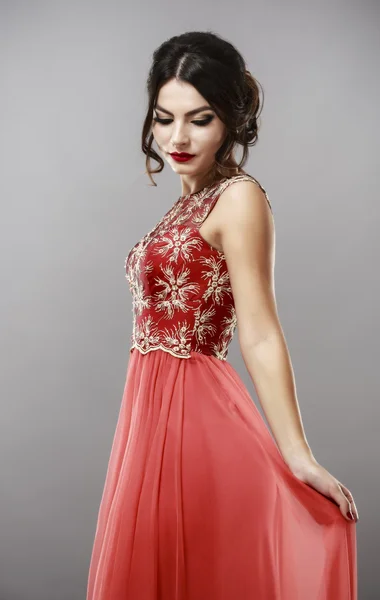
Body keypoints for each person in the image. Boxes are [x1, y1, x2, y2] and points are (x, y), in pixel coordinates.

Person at [86, 31, 358, 599]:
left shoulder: (238, 198)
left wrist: (298, 454)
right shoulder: (188, 202)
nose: (177, 137)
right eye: (164, 118)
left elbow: (259, 331)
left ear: (231, 121)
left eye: (199, 119)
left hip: (195, 417)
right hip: (148, 412)